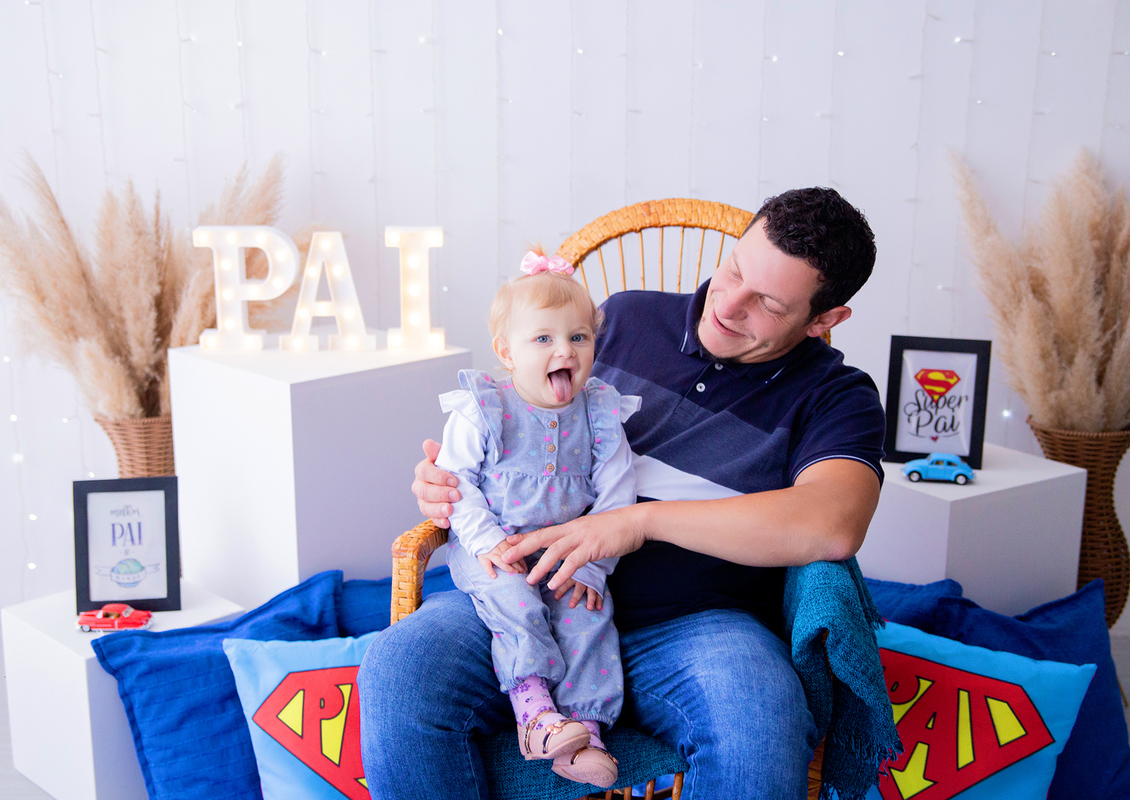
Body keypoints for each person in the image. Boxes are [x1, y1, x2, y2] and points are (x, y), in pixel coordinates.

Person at [359, 187, 887, 798]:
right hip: (530, 592)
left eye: (767, 302)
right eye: (735, 269)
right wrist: (449, 481)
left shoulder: (837, 396)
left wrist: (638, 523)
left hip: (693, 629)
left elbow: (831, 523)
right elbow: (516, 418)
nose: (728, 304)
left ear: (824, 320)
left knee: (761, 720)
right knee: (400, 671)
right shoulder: (626, 318)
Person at [435, 250, 640, 788]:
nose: (564, 350)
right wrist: (487, 542)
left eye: (579, 337)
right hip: (495, 546)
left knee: (588, 615)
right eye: (543, 338)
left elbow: (618, 496)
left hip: (571, 551)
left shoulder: (600, 411)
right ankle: (536, 715)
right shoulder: (484, 407)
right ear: (507, 351)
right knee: (517, 602)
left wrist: (591, 565)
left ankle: (585, 732)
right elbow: (456, 483)